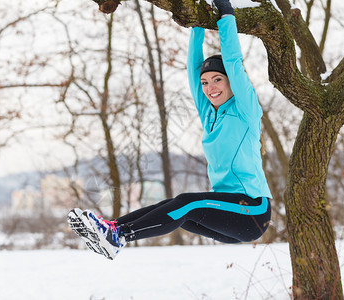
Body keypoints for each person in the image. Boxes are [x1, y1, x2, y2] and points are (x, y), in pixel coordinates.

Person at [67, 0, 272, 260]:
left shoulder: (246, 109)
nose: (210, 88)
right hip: (228, 209)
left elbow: (232, 60)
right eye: (205, 83)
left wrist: (226, 15)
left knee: (187, 202)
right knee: (172, 205)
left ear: (232, 81)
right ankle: (113, 229)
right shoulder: (211, 114)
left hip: (252, 210)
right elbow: (192, 67)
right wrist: (197, 23)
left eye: (217, 79)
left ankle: (118, 236)